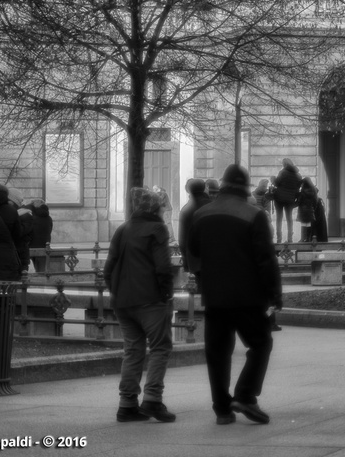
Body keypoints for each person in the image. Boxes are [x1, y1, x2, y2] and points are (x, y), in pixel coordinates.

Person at [187, 164, 281, 426]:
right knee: (261, 344)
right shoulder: (254, 215)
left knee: (217, 352)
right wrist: (275, 294)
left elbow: (192, 248)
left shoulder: (202, 214)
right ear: (246, 188)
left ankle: (222, 409)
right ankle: (245, 395)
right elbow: (266, 259)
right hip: (248, 296)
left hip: (215, 295)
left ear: (223, 185)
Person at [104, 187, 177, 423]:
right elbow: (163, 267)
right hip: (150, 299)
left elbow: (109, 267)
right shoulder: (157, 229)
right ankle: (152, 400)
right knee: (160, 348)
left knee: (133, 350)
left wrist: (116, 291)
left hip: (123, 301)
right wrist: (166, 293)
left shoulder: (123, 228)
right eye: (162, 208)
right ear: (156, 209)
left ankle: (127, 404)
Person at [178, 179, 208, 277]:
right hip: (213, 257)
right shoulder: (212, 205)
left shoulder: (186, 210)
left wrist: (186, 262)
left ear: (188, 190)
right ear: (204, 189)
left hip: (194, 261)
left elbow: (182, 241)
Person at [271, 159, 301, 244]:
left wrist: (272, 179)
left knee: (279, 218)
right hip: (290, 199)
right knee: (289, 218)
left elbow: (276, 183)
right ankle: (290, 239)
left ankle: (279, 239)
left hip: (279, 198)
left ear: (284, 164)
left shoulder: (283, 172)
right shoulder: (298, 174)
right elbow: (298, 187)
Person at [26, 198, 53, 273]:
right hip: (45, 245)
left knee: (25, 269)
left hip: (31, 245)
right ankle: (42, 281)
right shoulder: (49, 218)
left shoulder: (31, 217)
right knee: (41, 269)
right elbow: (49, 230)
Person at [299, 178, 327, 243]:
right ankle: (316, 240)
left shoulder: (303, 192)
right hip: (317, 208)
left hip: (309, 210)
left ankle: (306, 239)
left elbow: (300, 202)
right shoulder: (314, 190)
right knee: (317, 225)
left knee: (307, 225)